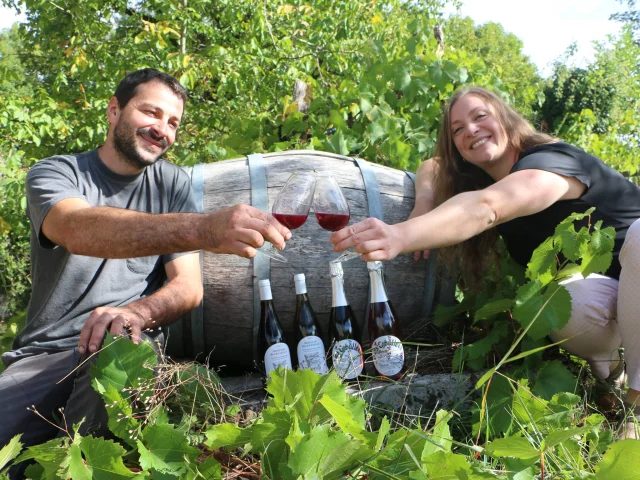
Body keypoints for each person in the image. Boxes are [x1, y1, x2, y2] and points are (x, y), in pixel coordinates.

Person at [0, 68, 291, 465]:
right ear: (114, 110)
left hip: (122, 345)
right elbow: (77, 229)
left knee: (95, 442)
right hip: (43, 356)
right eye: (151, 113)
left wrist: (136, 311)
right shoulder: (57, 173)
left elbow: (189, 288)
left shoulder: (173, 185)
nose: (162, 130)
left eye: (172, 123)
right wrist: (204, 228)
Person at [330, 85, 640, 439]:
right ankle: (614, 373)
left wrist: (401, 235)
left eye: (480, 117)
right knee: (566, 305)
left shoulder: (552, 162)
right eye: (457, 130)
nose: (470, 131)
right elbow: (433, 165)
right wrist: (424, 201)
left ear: (506, 119)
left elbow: (487, 207)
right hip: (620, 300)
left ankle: (636, 410)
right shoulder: (485, 178)